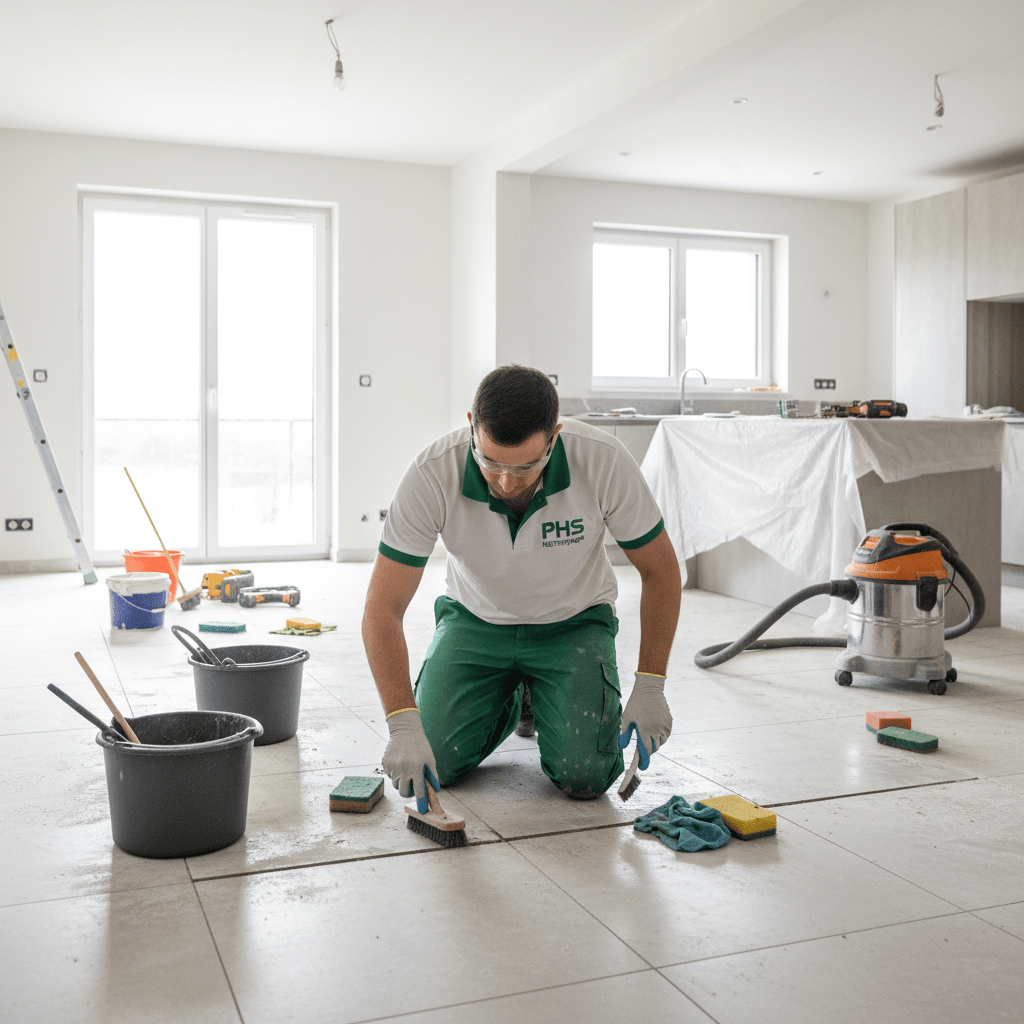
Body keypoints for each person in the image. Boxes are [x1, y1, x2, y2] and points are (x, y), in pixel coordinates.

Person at [362, 365, 681, 812]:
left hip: (572, 624)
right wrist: (401, 723)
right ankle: (516, 696)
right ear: (472, 425)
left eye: (528, 466)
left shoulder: (602, 460)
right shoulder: (433, 473)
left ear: (555, 436)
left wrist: (650, 685)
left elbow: (661, 570)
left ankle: (541, 688)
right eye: (490, 462)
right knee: (438, 762)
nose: (507, 481)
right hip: (477, 620)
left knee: (585, 777)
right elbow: (383, 606)